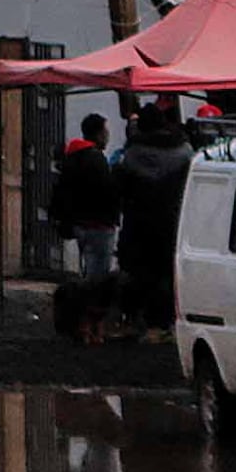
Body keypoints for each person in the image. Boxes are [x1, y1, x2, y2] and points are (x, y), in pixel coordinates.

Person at [112, 98, 196, 337]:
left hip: (137, 225)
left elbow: (120, 188)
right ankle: (165, 322)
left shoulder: (132, 154)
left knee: (138, 274)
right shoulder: (184, 151)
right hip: (172, 223)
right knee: (167, 273)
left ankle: (139, 320)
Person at [49, 117, 123, 337]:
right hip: (99, 225)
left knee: (88, 273)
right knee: (97, 280)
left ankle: (84, 323)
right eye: (106, 130)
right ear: (99, 133)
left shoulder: (72, 158)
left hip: (79, 225)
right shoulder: (96, 160)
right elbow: (107, 192)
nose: (108, 135)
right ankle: (91, 326)